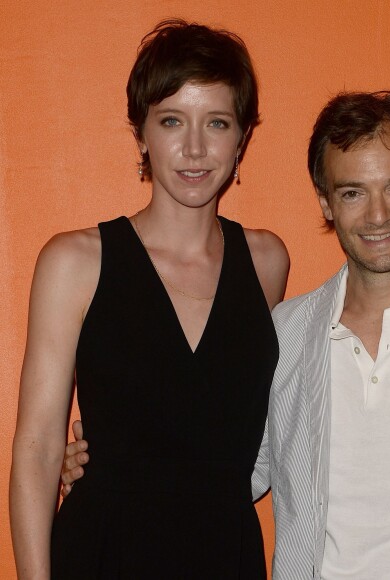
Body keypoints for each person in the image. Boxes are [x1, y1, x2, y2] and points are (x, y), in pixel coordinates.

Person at [62, 91, 390, 579]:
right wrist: (111, 458)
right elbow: (227, 467)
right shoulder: (286, 334)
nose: (377, 216)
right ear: (326, 202)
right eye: (353, 192)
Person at [10, 19, 289, 580]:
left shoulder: (267, 262)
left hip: (224, 556)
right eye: (170, 121)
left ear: (242, 138)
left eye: (216, 123)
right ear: (141, 132)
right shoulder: (75, 261)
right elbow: (37, 450)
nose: (194, 148)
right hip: (102, 554)